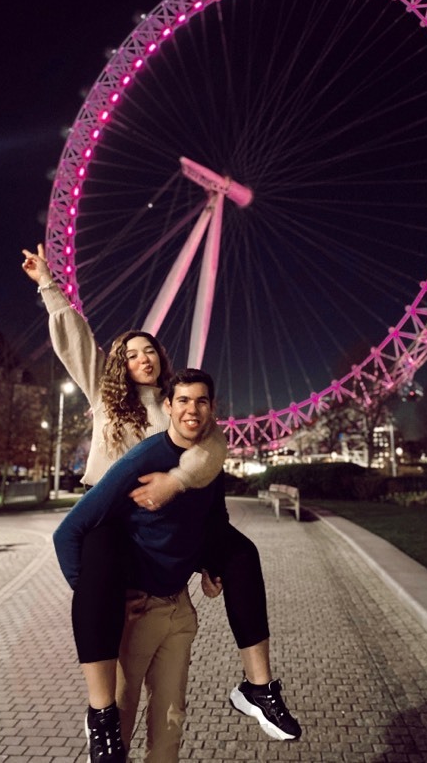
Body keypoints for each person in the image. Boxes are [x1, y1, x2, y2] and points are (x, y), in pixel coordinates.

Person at [21, 246, 301, 753]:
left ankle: (258, 686)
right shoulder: (106, 399)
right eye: (130, 353)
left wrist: (203, 541)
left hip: (175, 515)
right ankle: (101, 711)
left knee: (242, 556)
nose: (141, 358)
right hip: (114, 514)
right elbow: (76, 342)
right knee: (101, 571)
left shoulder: (180, 406)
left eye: (148, 350)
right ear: (116, 365)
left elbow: (212, 452)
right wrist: (48, 286)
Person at [54, 369, 225, 762]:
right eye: (182, 401)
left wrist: (209, 565)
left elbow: (205, 520)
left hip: (180, 611)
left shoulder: (210, 463)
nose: (192, 410)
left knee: (170, 725)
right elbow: (68, 532)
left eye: (201, 401)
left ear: (213, 408)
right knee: (119, 730)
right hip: (139, 613)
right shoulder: (143, 459)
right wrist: (98, 599)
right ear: (167, 407)